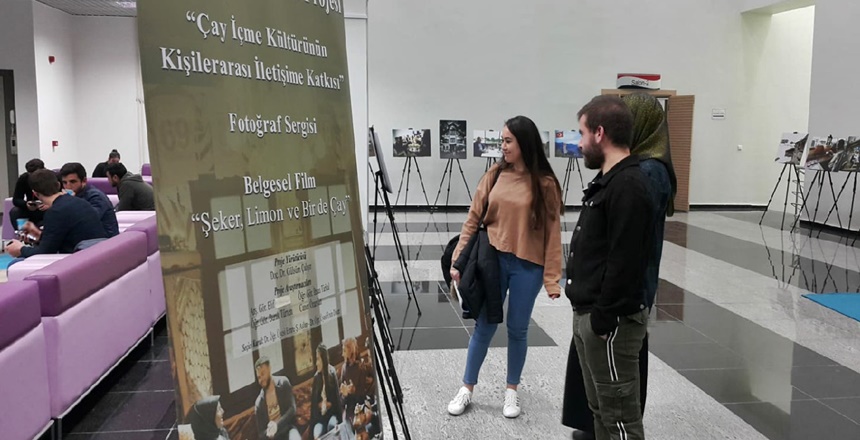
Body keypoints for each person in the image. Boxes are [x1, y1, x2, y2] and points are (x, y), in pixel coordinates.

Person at [562, 94, 676, 439]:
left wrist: (603, 316)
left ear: (599, 133)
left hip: (611, 315)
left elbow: (627, 256)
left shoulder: (634, 180)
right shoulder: (616, 177)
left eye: (581, 134)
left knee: (618, 416)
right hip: (596, 308)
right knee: (601, 407)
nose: (578, 144)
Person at [446, 115, 563, 419]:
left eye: (508, 140)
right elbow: (473, 219)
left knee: (518, 329)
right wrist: (458, 262)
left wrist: (552, 279)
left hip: (529, 267)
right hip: (493, 262)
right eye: (502, 140)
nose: (503, 146)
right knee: (484, 325)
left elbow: (553, 233)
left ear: (525, 143)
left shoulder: (546, 184)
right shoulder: (495, 175)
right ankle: (466, 388)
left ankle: (511, 392)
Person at [6, 169, 108, 262]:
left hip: (79, 261)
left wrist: (21, 249)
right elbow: (64, 238)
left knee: (16, 263)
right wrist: (39, 235)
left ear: (35, 194)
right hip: (95, 256)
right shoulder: (80, 202)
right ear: (58, 185)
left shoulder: (55, 212)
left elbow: (45, 253)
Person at [60, 162, 119, 237]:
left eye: (73, 182)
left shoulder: (96, 197)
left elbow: (87, 221)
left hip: (104, 241)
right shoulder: (75, 195)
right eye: (64, 182)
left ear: (84, 181)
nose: (68, 186)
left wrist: (70, 201)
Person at [253, 357, 300, 440]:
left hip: (288, 429)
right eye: (259, 377)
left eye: (263, 374)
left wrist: (276, 425)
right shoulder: (259, 403)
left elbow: (292, 409)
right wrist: (269, 432)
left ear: (269, 369)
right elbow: (261, 433)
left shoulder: (283, 383)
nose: (261, 380)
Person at [310, 344, 342, 439]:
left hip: (332, 415)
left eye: (318, 359)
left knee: (331, 426)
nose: (316, 363)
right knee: (317, 433)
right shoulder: (316, 378)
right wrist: (319, 405)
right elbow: (313, 406)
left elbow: (337, 400)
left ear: (324, 359)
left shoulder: (332, 373)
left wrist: (339, 421)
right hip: (320, 419)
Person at [9, 158, 47, 230]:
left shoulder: (51, 178)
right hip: (31, 208)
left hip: (47, 208)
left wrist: (48, 205)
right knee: (15, 212)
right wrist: (26, 204)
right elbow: (16, 199)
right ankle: (21, 234)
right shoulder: (24, 178)